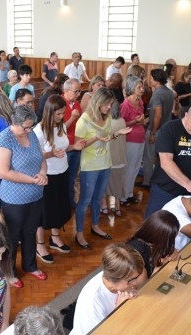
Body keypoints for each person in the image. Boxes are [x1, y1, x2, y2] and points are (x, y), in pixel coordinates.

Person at [0, 105, 48, 288]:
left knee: (30, 232)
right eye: (25, 127)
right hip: (14, 198)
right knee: (12, 236)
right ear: (14, 124)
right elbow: (4, 172)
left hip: (36, 195)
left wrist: (43, 173)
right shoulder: (4, 140)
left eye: (31, 126)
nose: (29, 130)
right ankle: (9, 272)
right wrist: (33, 180)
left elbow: (41, 158)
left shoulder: (31, 134)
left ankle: (30, 266)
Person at [74, 88, 131, 249]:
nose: (109, 108)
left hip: (106, 163)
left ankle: (95, 225)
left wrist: (116, 134)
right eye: (107, 104)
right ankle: (79, 233)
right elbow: (79, 146)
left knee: (97, 198)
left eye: (111, 104)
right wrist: (95, 138)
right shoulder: (83, 121)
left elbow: (105, 139)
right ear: (99, 102)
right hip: (90, 167)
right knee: (85, 200)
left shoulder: (106, 118)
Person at [34, 95, 86, 262]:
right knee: (44, 211)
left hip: (62, 171)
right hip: (46, 175)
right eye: (58, 114)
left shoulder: (60, 126)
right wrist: (50, 154)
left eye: (63, 113)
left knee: (58, 207)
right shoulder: (38, 130)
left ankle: (55, 238)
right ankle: (40, 244)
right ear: (49, 112)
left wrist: (74, 146)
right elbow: (34, 155)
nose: (61, 117)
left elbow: (63, 147)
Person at [70, 243, 145, 335]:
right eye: (131, 280)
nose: (135, 283)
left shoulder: (115, 276)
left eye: (136, 278)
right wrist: (119, 311)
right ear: (113, 280)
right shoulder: (92, 303)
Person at [140, 69, 173, 189]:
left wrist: (152, 133)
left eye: (151, 78)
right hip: (166, 129)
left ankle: (147, 182)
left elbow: (158, 115)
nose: (150, 80)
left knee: (149, 158)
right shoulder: (169, 92)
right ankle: (159, 180)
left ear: (156, 80)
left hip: (157, 130)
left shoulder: (157, 95)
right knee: (162, 158)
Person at [100, 99, 133, 217]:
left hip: (107, 160)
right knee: (118, 184)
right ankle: (117, 207)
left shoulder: (105, 123)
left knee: (104, 185)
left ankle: (104, 207)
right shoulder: (122, 121)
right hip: (120, 159)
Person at [126, 210, 179, 280]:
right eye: (171, 238)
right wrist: (159, 267)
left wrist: (172, 251)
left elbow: (167, 251)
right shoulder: (136, 254)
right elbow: (142, 287)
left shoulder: (155, 242)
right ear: (161, 237)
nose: (173, 241)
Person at [121, 76, 146, 207]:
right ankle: (123, 195)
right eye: (139, 87)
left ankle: (129, 193)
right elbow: (121, 123)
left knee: (136, 167)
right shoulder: (126, 104)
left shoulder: (140, 102)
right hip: (130, 139)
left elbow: (140, 119)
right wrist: (134, 121)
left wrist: (141, 121)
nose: (142, 89)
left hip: (141, 137)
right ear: (132, 88)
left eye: (142, 87)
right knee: (129, 168)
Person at [61, 78, 83, 208]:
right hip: (65, 147)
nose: (78, 94)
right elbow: (58, 128)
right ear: (67, 91)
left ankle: (69, 201)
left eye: (79, 91)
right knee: (63, 178)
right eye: (76, 91)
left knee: (72, 178)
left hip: (76, 146)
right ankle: (63, 203)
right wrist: (73, 117)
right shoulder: (59, 103)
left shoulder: (76, 104)